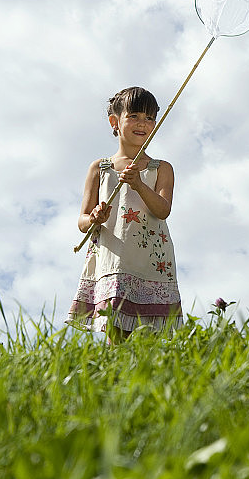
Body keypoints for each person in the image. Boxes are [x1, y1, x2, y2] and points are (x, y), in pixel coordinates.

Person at [66, 87, 183, 341]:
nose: (143, 123)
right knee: (116, 329)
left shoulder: (161, 168)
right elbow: (82, 221)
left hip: (151, 261)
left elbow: (163, 210)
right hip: (114, 258)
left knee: (148, 334)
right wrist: (94, 217)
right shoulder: (100, 168)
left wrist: (139, 184)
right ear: (114, 122)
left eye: (150, 118)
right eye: (135, 116)